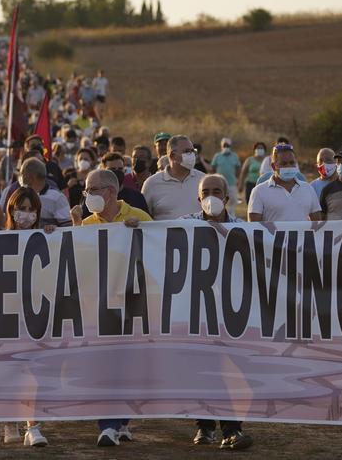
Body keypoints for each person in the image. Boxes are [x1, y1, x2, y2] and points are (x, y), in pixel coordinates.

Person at [179, 174, 253, 450]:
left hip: (232, 310)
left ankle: (232, 428)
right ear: (198, 198)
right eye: (205, 191)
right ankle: (205, 426)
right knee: (202, 370)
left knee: (234, 372)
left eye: (216, 191)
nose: (211, 195)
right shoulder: (183, 225)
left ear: (226, 197)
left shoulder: (244, 228)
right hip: (197, 309)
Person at [79, 170, 149, 446]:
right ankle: (107, 425)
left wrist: (141, 233)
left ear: (109, 192)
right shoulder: (85, 224)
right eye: (86, 190)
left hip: (134, 303)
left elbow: (158, 253)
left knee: (128, 365)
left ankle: (121, 421)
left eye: (92, 189)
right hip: (99, 306)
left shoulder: (141, 218)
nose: (87, 195)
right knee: (104, 365)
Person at [0, 186, 54, 447]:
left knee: (33, 371)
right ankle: (9, 422)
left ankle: (32, 426)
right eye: (21, 209)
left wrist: (55, 239)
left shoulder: (48, 238)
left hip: (35, 316)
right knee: (9, 370)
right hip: (5, 315)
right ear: (10, 210)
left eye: (31, 209)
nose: (26, 214)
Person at [248, 143, 322, 222]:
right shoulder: (259, 191)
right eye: (283, 163)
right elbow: (254, 227)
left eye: (292, 163)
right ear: (273, 166)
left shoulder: (308, 189)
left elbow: (317, 224)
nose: (288, 166)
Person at [141, 135, 204, 220]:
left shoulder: (204, 180)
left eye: (193, 151)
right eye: (187, 151)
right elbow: (143, 217)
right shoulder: (151, 184)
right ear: (172, 156)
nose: (192, 155)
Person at [14, 158, 71, 227]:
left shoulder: (57, 198)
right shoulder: (18, 196)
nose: (19, 178)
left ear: (30, 178)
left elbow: (67, 227)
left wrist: (53, 229)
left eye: (21, 174)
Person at [210, 138, 241, 215]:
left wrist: (237, 178)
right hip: (219, 183)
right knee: (219, 200)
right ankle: (220, 214)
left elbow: (238, 168)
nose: (226, 147)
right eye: (224, 145)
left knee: (233, 200)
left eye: (227, 145)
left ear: (230, 146)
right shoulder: (217, 156)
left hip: (232, 183)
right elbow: (212, 168)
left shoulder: (234, 156)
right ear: (221, 146)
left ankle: (231, 214)